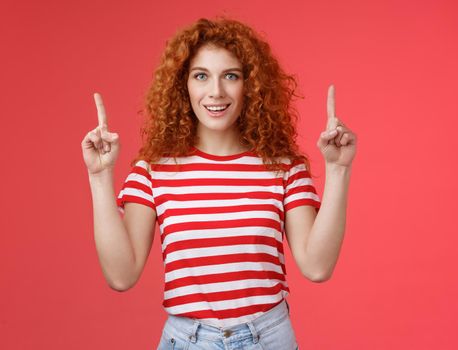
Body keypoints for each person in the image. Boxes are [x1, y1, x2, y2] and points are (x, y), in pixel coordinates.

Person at [81, 17, 356, 350]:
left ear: (250, 86)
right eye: (201, 76)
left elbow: (317, 266)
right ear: (183, 85)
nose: (216, 91)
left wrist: (338, 170)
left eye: (231, 76)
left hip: (268, 339)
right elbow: (121, 276)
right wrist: (99, 176)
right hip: (185, 341)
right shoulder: (153, 171)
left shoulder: (284, 168)